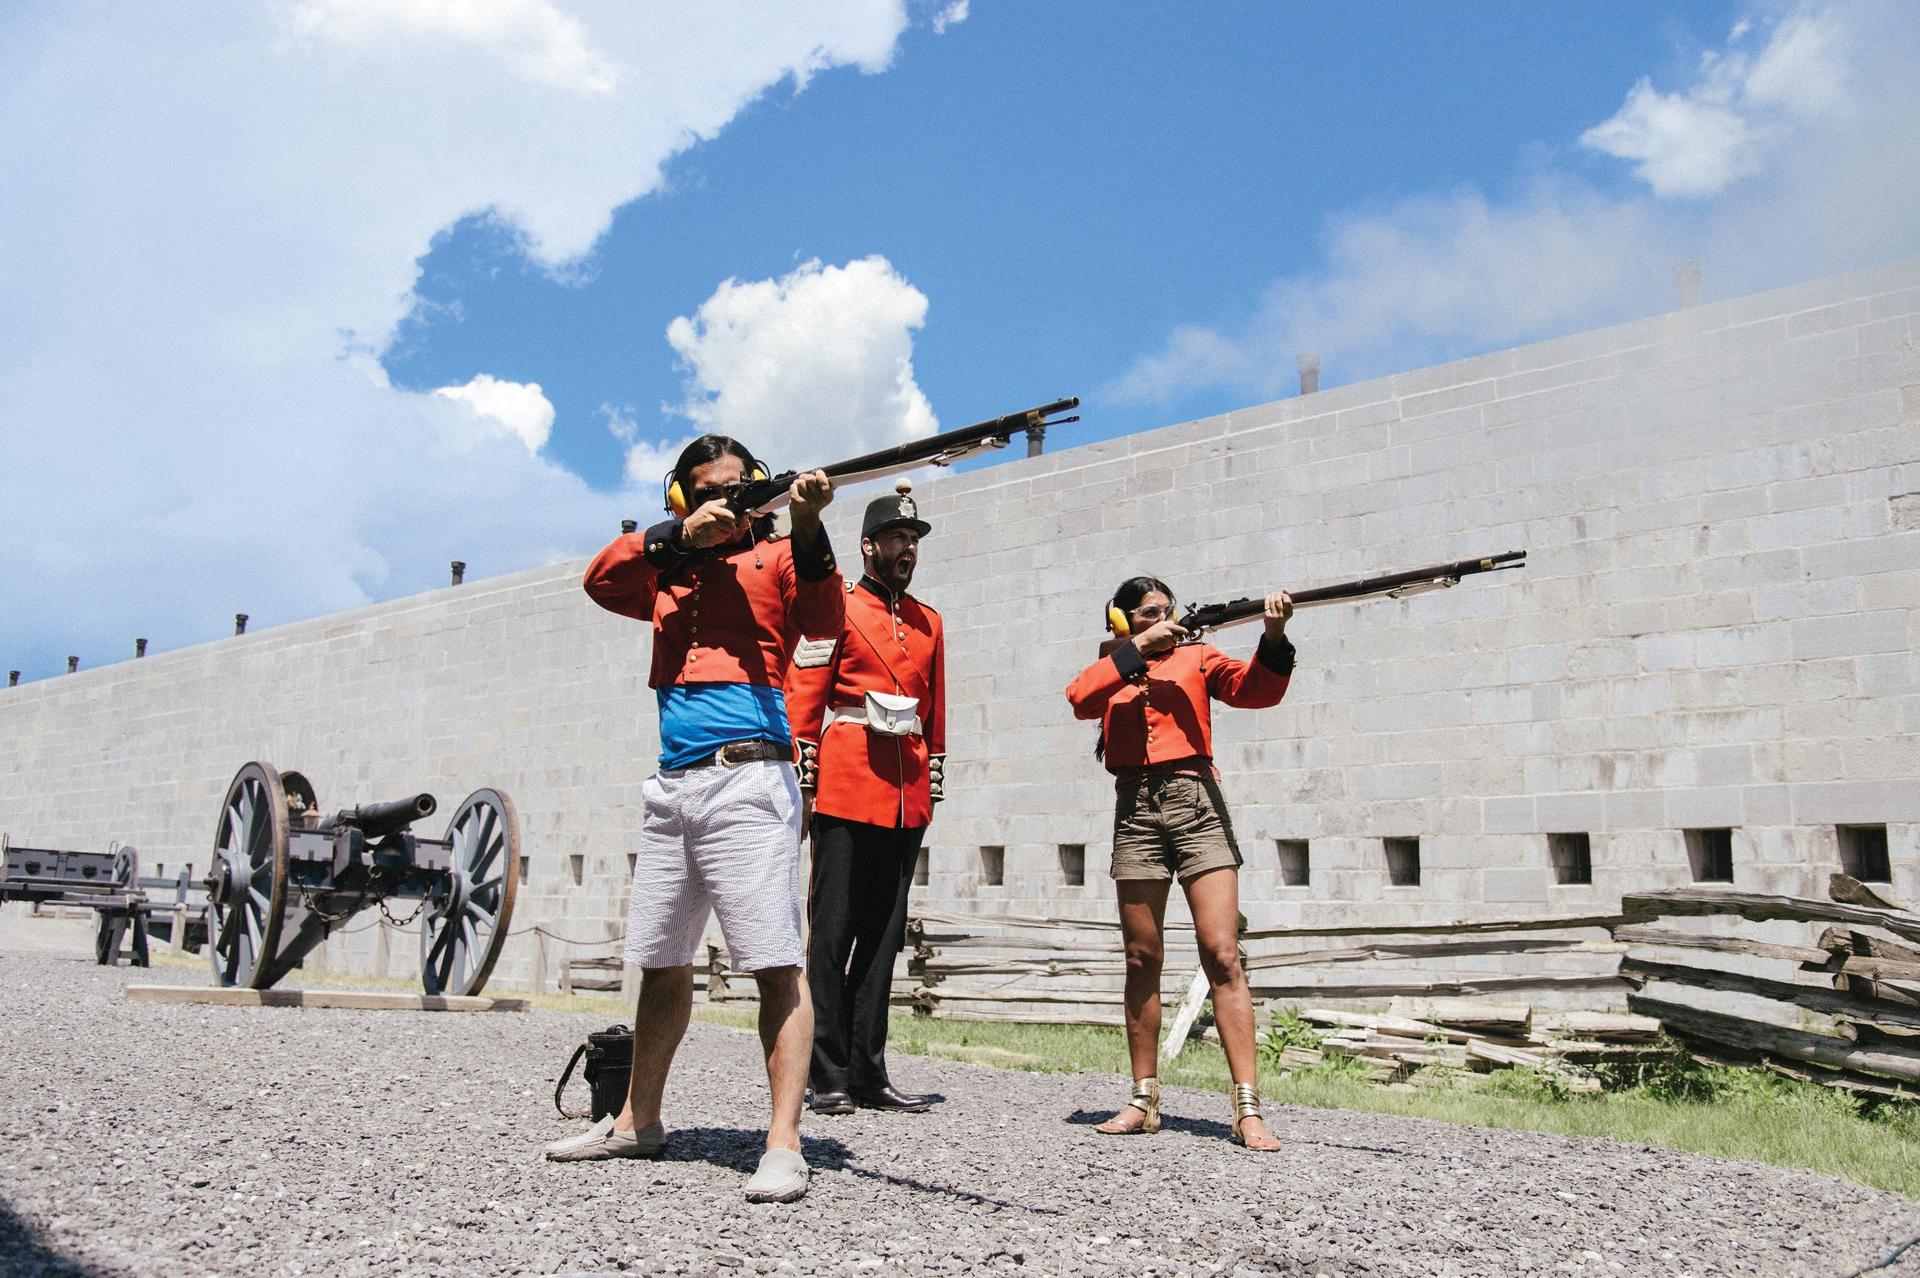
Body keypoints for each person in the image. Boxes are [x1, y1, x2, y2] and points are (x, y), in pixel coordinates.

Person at [547, 436, 839, 1205]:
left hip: (750, 776)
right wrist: (679, 536)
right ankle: (638, 1121)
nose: (733, 500)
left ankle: (782, 1144)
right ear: (685, 497)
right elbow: (599, 580)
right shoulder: (667, 571)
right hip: (673, 784)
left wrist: (807, 526)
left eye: (743, 488)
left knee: (776, 963)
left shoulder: (776, 558)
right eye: (715, 489)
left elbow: (825, 619)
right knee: (662, 958)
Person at [1063, 576, 1294, 1150]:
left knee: (1221, 953)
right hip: (1135, 809)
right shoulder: (1113, 663)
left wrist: (1273, 633)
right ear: (1122, 621)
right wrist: (1137, 649)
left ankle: (1247, 1109)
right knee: (1142, 956)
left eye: (1167, 611)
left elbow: (1255, 689)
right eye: (1148, 613)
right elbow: (1078, 700)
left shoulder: (1198, 655)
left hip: (1197, 804)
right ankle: (1143, 1099)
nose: (1162, 619)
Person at [786, 479, 945, 1116]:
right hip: (849, 779)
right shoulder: (839, 608)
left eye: (913, 539)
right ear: (867, 545)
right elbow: (806, 689)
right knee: (832, 932)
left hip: (905, 789)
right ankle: (824, 1070)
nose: (907, 548)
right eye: (897, 538)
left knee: (883, 936)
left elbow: (935, 711)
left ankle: (868, 1070)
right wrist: (801, 756)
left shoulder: (930, 621)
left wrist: (934, 765)